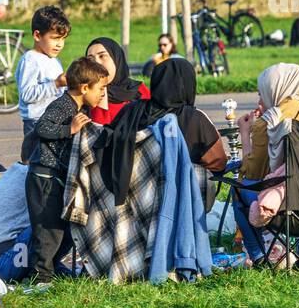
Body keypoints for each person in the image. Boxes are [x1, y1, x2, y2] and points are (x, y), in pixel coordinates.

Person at [232, 64, 299, 267]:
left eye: (262, 94)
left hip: (286, 208)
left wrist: (245, 132)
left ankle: (259, 256)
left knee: (238, 189)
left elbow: (251, 172)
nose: (260, 101)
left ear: (274, 90)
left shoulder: (268, 123)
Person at [25, 57, 109, 287]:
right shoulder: (63, 105)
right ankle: (39, 280)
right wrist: (69, 129)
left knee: (63, 231)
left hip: (55, 178)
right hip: (44, 178)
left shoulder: (78, 108)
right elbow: (43, 127)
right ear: (84, 88)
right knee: (48, 232)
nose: (103, 93)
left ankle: (48, 271)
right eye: (100, 88)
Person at [102, 56, 228, 204]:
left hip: (132, 196)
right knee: (200, 176)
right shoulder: (194, 119)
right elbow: (218, 163)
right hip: (177, 201)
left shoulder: (131, 111)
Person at [17, 5, 71, 138]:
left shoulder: (54, 59)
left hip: (54, 120)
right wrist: (56, 84)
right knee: (37, 158)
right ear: (37, 35)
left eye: (63, 38)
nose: (60, 44)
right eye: (55, 38)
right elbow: (27, 94)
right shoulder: (30, 60)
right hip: (36, 122)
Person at [85, 37, 150, 125]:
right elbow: (96, 133)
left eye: (102, 56)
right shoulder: (84, 94)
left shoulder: (138, 90)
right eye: (91, 59)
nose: (97, 63)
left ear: (116, 59)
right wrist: (101, 90)